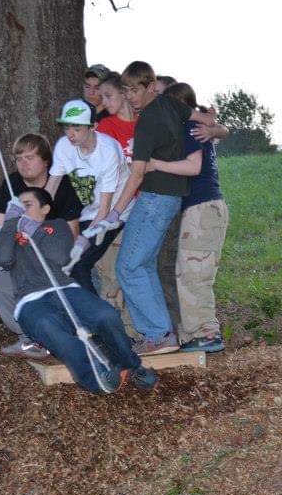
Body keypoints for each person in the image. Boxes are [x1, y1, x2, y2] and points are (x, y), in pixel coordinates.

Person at [0, 187, 158, 394]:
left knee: (106, 316)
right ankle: (95, 377)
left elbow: (61, 256)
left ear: (45, 209)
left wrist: (35, 229)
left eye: (28, 205)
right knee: (49, 327)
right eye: (18, 207)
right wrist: (9, 224)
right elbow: (1, 259)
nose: (21, 210)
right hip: (30, 301)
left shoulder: (56, 226)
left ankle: (131, 365)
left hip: (66, 290)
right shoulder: (11, 235)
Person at [99, 61, 214, 355]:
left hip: (153, 199)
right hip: (171, 199)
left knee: (127, 265)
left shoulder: (147, 120)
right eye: (125, 90)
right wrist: (216, 125)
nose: (130, 96)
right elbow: (203, 117)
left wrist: (113, 213)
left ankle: (156, 334)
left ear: (150, 86)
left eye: (135, 90)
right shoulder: (171, 105)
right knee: (144, 264)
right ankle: (162, 335)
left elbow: (137, 173)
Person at [0, 133, 84, 358]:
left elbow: (72, 233)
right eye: (19, 158)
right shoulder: (12, 184)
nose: (24, 163)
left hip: (54, 256)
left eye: (30, 157)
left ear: (46, 160)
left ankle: (60, 332)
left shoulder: (62, 184)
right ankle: (30, 337)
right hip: (19, 254)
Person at [149, 83, 229, 353]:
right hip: (202, 209)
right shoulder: (190, 129)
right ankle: (197, 333)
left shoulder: (188, 128)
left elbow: (193, 167)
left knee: (195, 273)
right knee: (190, 271)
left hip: (202, 208)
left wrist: (156, 165)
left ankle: (206, 334)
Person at [46, 99, 132, 295]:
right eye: (67, 127)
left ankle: (97, 319)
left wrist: (84, 239)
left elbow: (105, 209)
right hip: (88, 213)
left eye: (77, 128)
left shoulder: (108, 151)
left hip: (113, 214)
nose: (70, 134)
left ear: (93, 126)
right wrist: (32, 215)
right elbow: (50, 188)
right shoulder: (63, 146)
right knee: (65, 261)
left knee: (79, 264)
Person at [97, 73, 137, 161]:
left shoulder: (145, 120)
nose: (103, 102)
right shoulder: (106, 125)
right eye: (102, 97)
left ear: (123, 93)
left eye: (108, 96)